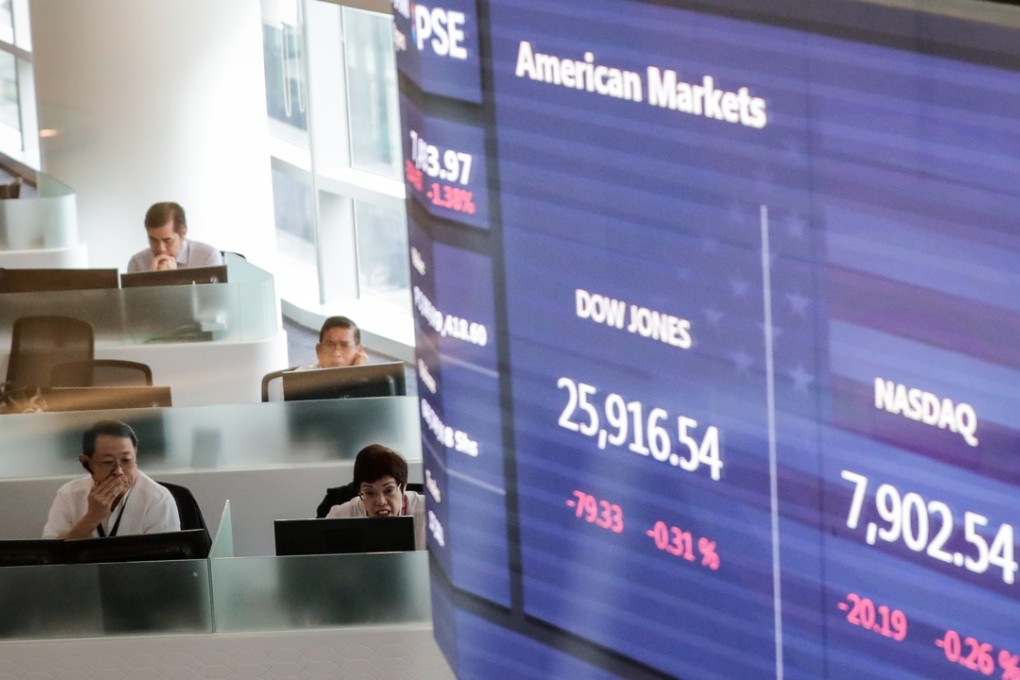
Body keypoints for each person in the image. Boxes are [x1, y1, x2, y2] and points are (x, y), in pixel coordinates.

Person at [42, 420, 180, 539]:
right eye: (108, 462)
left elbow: (166, 558)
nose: (119, 471)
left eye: (126, 460)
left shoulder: (158, 499)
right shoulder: (68, 495)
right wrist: (91, 518)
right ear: (87, 463)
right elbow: (50, 556)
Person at [325, 444, 426, 550]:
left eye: (389, 490)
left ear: (403, 487)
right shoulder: (339, 517)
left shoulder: (429, 513)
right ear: (359, 492)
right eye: (369, 493)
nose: (381, 501)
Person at [126, 201, 224, 273]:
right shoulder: (137, 263)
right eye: (153, 240)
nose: (161, 249)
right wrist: (151, 278)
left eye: (167, 240)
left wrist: (172, 277)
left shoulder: (208, 257)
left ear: (183, 233)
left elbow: (211, 296)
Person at [305, 315, 369, 369]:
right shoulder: (300, 377)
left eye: (345, 346)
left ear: (359, 350)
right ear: (319, 350)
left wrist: (359, 372)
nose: (336, 354)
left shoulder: (372, 378)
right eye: (330, 346)